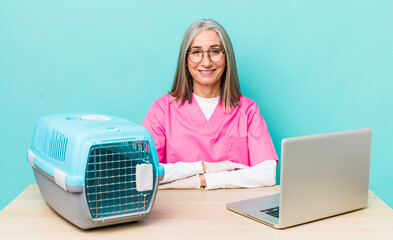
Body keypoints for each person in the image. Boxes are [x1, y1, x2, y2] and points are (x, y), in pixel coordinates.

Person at [141, 19, 278, 190]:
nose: (206, 62)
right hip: (179, 209)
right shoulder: (163, 110)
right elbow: (143, 170)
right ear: (185, 59)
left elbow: (266, 174)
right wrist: (204, 167)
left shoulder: (247, 110)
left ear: (227, 58)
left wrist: (204, 180)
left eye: (215, 51)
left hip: (234, 210)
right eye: (196, 52)